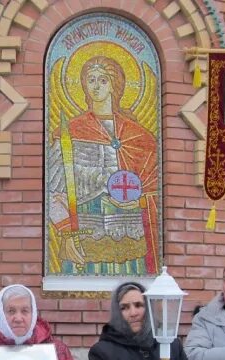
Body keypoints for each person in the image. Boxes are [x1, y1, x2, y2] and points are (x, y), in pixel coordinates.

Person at [47, 55, 160, 275]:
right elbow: (53, 192)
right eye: (91, 80)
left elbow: (154, 188)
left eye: (103, 80)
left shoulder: (138, 136)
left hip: (128, 233)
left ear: (114, 85)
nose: (96, 86)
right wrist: (66, 235)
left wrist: (140, 201)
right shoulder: (69, 132)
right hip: (84, 235)